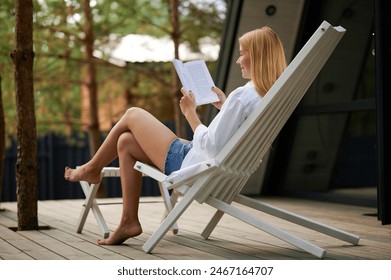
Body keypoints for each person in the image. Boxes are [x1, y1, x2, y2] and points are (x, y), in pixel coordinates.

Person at [64, 26, 287, 245]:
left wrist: (190, 114)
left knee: (132, 114)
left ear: (257, 56)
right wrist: (225, 106)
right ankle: (128, 221)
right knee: (126, 142)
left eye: (242, 54)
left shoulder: (243, 95)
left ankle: (91, 169)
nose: (238, 61)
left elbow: (210, 145)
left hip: (193, 165)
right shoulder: (265, 96)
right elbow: (233, 136)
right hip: (211, 166)